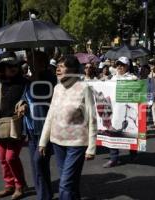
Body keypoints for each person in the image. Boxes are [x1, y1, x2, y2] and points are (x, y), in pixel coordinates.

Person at [39, 55, 97, 200]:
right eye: (57, 66)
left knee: (65, 184)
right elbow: (50, 115)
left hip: (76, 144)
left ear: (72, 70)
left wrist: (91, 147)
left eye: (62, 66)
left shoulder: (84, 88)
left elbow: (92, 118)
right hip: (57, 143)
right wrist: (43, 141)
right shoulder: (57, 88)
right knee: (71, 183)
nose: (58, 69)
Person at [0, 51, 28, 199]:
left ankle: (20, 185)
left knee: (11, 158)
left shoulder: (24, 82)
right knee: (3, 159)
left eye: (15, 65)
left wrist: (25, 105)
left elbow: (29, 100)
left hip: (16, 127)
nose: (13, 68)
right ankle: (9, 185)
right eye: (8, 65)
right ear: (2, 67)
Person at [21, 51, 57, 200]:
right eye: (28, 59)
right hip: (30, 128)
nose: (27, 62)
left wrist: (35, 79)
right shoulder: (29, 79)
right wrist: (21, 102)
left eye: (30, 59)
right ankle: (44, 195)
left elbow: (43, 97)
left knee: (39, 163)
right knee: (37, 167)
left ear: (40, 62)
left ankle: (44, 196)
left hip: (44, 127)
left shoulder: (49, 78)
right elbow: (25, 96)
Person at [102, 56, 138, 168]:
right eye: (118, 64)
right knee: (113, 132)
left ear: (127, 66)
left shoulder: (133, 78)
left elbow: (138, 94)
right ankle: (114, 158)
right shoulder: (112, 78)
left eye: (122, 65)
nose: (119, 67)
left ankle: (133, 153)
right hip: (115, 110)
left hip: (128, 110)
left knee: (130, 130)